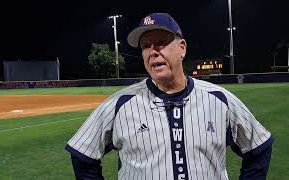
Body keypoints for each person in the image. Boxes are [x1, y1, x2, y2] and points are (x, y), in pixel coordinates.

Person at [65, 12, 274, 180]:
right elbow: (83, 156)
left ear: (182, 48)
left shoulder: (220, 99)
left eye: (161, 43)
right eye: (146, 46)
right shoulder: (120, 103)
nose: (153, 51)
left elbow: (259, 147)